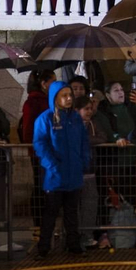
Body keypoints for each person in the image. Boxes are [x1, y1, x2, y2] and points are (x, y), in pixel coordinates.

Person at [32, 77, 90, 258]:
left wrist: (84, 161)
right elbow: (40, 144)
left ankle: (73, 245)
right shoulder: (45, 119)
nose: (69, 98)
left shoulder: (75, 118)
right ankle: (43, 248)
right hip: (55, 175)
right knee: (50, 214)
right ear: (55, 97)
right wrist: (52, 165)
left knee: (72, 213)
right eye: (64, 95)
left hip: (73, 173)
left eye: (69, 95)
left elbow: (83, 141)